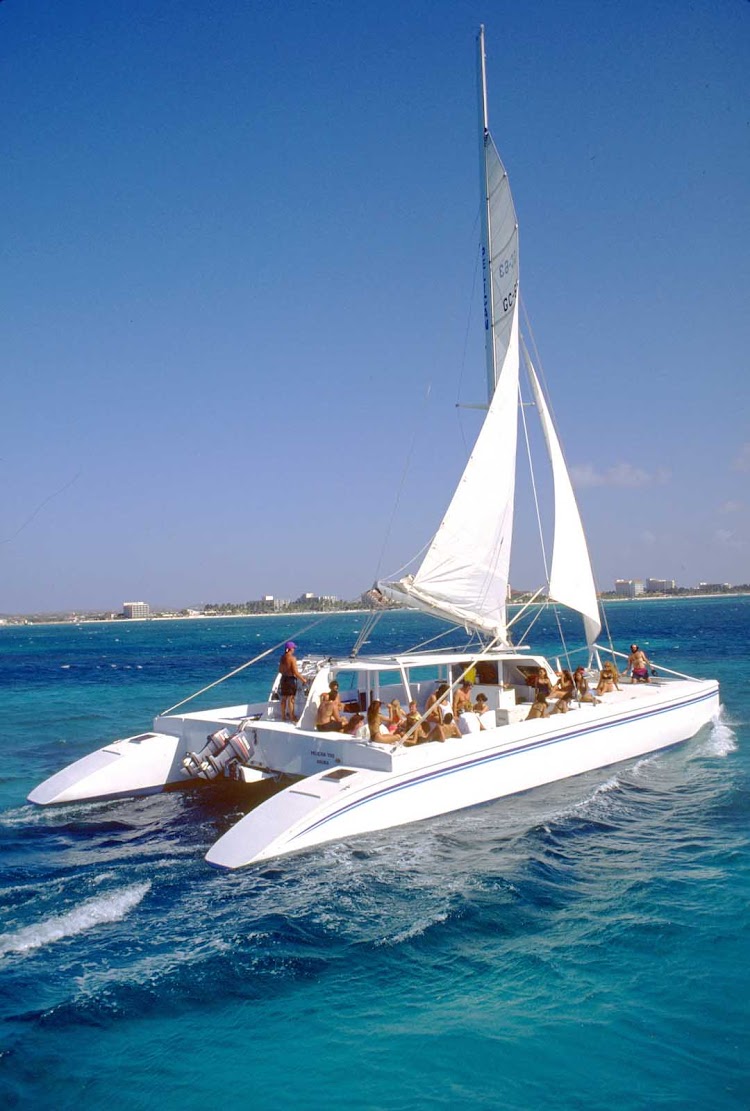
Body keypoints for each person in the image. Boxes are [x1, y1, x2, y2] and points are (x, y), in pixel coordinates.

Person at [278, 641, 306, 723]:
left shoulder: (282, 657)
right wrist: (303, 679)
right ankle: (292, 717)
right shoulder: (292, 658)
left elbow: (280, 670)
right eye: (293, 648)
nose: (294, 649)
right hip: (290, 679)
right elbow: (295, 672)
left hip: (283, 678)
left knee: (284, 698)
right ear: (290, 649)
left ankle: (283, 716)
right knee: (291, 699)